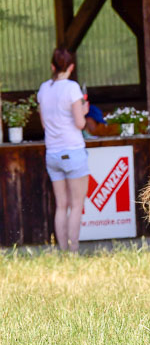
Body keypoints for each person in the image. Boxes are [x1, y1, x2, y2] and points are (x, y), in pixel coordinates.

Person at [37, 47, 89, 252]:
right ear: (71, 67)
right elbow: (80, 124)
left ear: (52, 66)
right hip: (73, 151)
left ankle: (62, 251)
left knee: (61, 205)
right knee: (76, 205)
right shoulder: (72, 88)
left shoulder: (43, 89)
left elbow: (43, 124)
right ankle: (74, 250)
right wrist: (83, 111)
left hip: (52, 153)